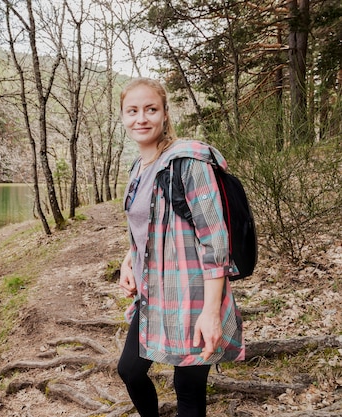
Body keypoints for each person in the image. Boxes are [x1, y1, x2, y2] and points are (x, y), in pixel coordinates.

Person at [117, 77, 245, 417]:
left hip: (193, 293)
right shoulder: (138, 168)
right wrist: (129, 259)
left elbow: (216, 237)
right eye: (132, 111)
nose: (141, 118)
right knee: (129, 370)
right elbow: (147, 225)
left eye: (150, 109)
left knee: (187, 389)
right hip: (153, 293)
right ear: (123, 116)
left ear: (164, 114)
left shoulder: (188, 161)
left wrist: (211, 311)